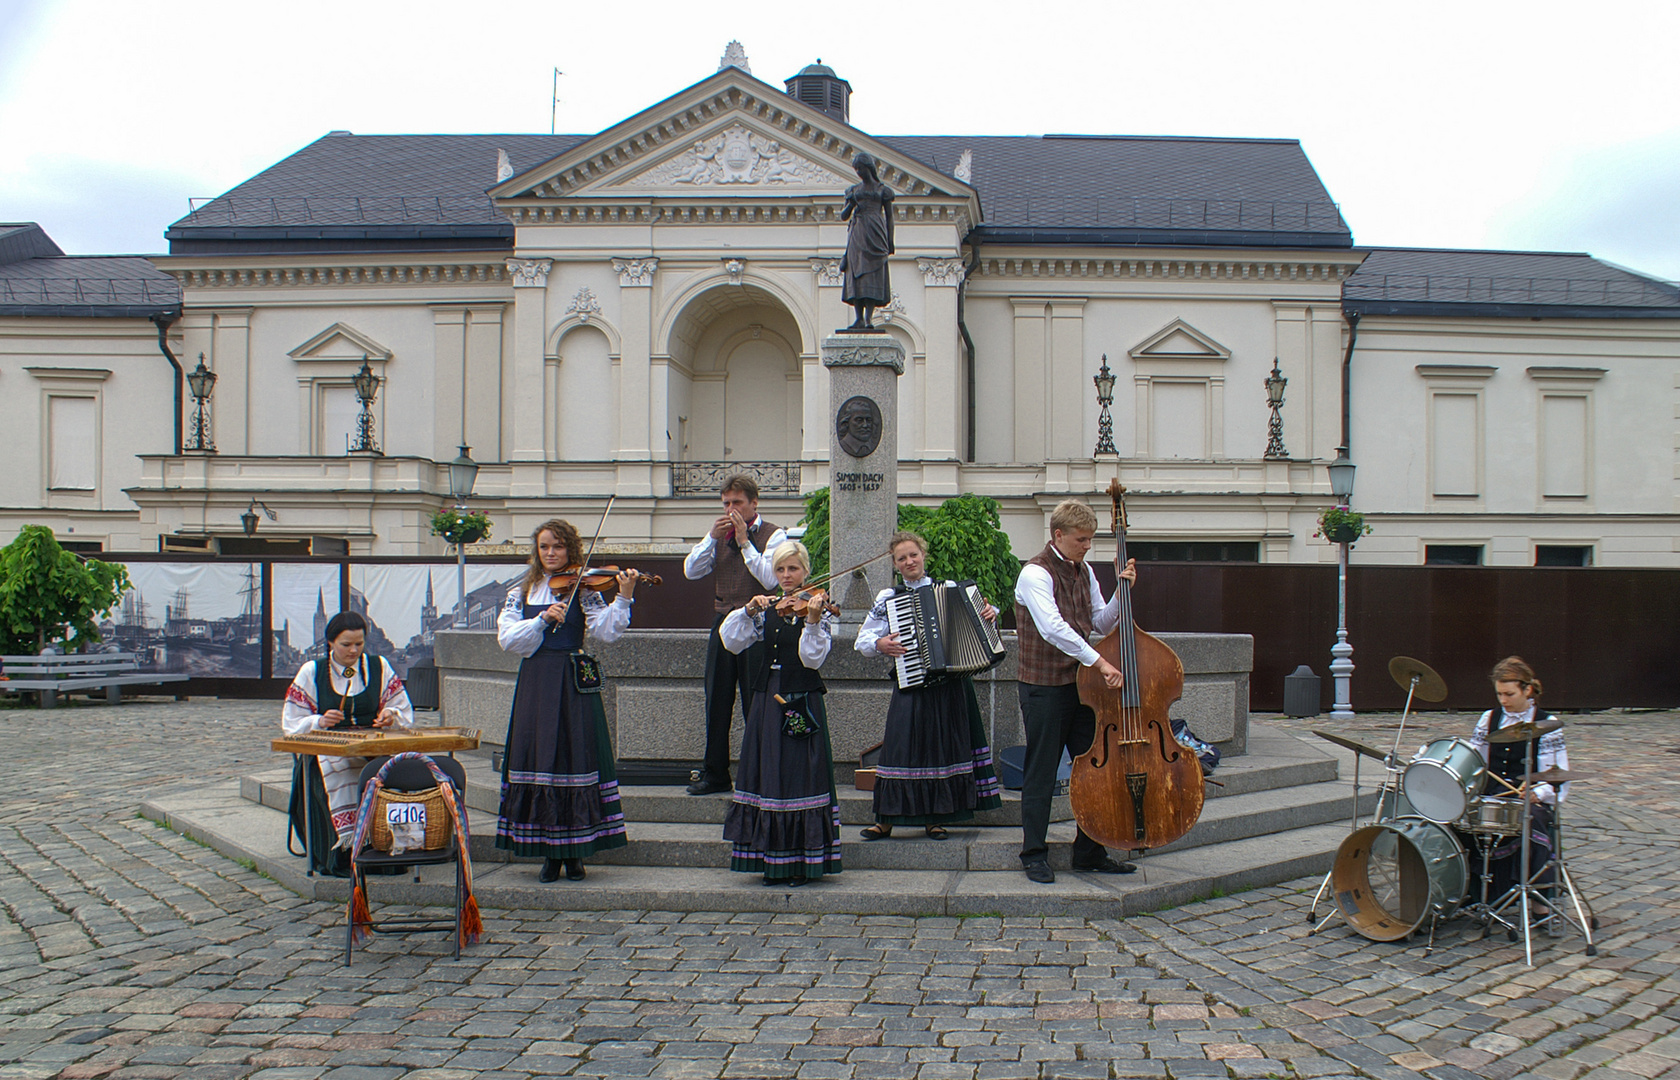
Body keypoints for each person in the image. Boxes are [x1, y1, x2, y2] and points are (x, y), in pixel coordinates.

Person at [496, 519, 641, 883]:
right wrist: (542, 621)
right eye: (544, 547)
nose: (550, 554)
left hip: (573, 680)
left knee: (576, 757)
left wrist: (623, 596)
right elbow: (509, 640)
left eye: (558, 547)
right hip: (537, 681)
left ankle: (576, 854)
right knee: (542, 757)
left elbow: (606, 632)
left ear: (570, 550)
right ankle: (549, 854)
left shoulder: (584, 588)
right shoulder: (522, 591)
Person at [1012, 499, 1139, 884]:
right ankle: (1034, 854)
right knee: (1041, 771)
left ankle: (1089, 852)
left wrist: (1121, 592)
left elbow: (1099, 621)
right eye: (1081, 539)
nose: (1087, 546)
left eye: (1090, 539)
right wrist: (1099, 663)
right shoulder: (1035, 574)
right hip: (1044, 687)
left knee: (1094, 771)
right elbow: (1052, 628)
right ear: (1058, 535)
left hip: (1082, 689)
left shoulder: (1084, 572)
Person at [854, 531, 1004, 840]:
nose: (909, 561)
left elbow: (981, 622)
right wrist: (881, 643)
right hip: (911, 681)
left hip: (950, 684)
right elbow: (862, 640)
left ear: (924, 555)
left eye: (913, 555)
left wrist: (990, 614)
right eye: (902, 558)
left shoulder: (949, 589)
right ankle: (886, 819)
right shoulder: (888, 598)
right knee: (899, 748)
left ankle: (936, 819)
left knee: (942, 749)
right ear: (895, 565)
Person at [719, 540, 842, 887]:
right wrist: (747, 610)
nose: (787, 576)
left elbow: (812, 659)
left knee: (800, 773)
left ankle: (802, 859)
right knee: (768, 772)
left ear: (805, 571)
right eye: (781, 570)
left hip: (801, 696)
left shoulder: (812, 608)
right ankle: (770, 859)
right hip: (766, 699)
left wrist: (814, 621)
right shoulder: (769, 607)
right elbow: (731, 641)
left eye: (794, 569)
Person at [682, 474, 787, 795]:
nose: (731, 509)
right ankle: (715, 773)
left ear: (754, 503)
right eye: (726, 503)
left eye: (737, 502)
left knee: (754, 701)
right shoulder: (718, 535)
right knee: (717, 698)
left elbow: (771, 579)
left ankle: (756, 773)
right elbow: (691, 571)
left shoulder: (775, 535)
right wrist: (712, 540)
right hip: (724, 621)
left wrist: (744, 542)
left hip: (757, 625)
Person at [281, 610, 415, 853]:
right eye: (346, 644)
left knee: (392, 769)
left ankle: (388, 845)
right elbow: (291, 723)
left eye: (359, 644)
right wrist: (319, 721)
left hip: (372, 746)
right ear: (331, 642)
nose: (353, 651)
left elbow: (401, 708)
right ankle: (348, 849)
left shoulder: (379, 666)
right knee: (343, 770)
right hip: (326, 751)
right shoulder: (312, 671)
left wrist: (390, 716)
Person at [1466, 656, 1569, 909]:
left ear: (1528, 690)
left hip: (1528, 796)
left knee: (1532, 820)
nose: (1503, 700)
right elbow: (1473, 759)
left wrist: (1538, 793)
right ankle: (1477, 893)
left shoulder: (1548, 724)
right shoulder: (1489, 718)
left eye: (1509, 694)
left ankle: (1539, 900)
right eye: (1499, 694)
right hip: (1494, 792)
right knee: (1459, 817)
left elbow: (1556, 773)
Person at [839, 151, 895, 330]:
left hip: (876, 233)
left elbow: (890, 218)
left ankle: (869, 318)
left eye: (860, 168)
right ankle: (858, 318)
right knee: (856, 272)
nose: (858, 172)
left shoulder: (882, 190)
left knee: (873, 274)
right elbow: (843, 216)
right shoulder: (853, 191)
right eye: (856, 169)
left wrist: (890, 241)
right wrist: (852, 203)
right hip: (858, 233)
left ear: (868, 167)